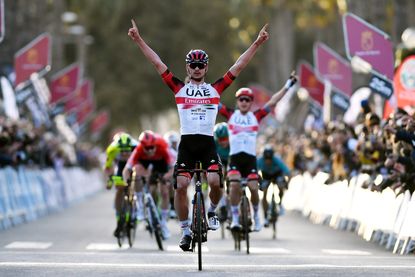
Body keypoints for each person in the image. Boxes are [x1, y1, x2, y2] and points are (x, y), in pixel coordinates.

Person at [128, 19, 269, 251]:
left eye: (200, 65)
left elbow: (238, 66)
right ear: (187, 68)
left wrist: (256, 43)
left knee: (214, 181)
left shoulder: (215, 89)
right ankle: (185, 231)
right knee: (181, 186)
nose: (196, 68)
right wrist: (138, 40)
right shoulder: (179, 88)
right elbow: (157, 63)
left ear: (205, 68)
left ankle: (211, 211)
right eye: (192, 65)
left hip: (206, 144)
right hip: (187, 145)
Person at [218, 74, 297, 231]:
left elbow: (273, 101)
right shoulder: (230, 114)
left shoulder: (256, 116)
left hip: (250, 160)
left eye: (247, 100)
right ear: (237, 101)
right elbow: (212, 101)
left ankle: (255, 216)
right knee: (234, 187)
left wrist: (287, 86)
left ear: (251, 102)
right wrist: (194, 87)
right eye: (241, 99)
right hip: (235, 158)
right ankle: (234, 218)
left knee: (254, 188)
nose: (244, 102)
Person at [122, 130, 173, 239]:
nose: (149, 151)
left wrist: (165, 177)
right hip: (144, 164)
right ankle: (140, 204)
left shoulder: (163, 146)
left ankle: (163, 223)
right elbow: (126, 170)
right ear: (142, 146)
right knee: (137, 172)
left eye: (152, 148)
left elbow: (173, 168)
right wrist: (126, 183)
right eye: (147, 148)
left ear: (155, 145)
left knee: (164, 192)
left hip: (161, 164)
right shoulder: (138, 149)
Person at [104, 132, 138, 238]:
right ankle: (119, 217)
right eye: (122, 151)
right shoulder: (112, 149)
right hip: (120, 165)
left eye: (127, 151)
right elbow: (108, 167)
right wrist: (109, 180)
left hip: (133, 165)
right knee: (119, 188)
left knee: (137, 182)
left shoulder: (136, 147)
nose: (124, 153)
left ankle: (135, 208)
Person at [257, 145, 290, 226]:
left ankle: (280, 203)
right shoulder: (259, 160)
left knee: (280, 185)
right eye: (266, 159)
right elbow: (254, 172)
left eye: (270, 159)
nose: (268, 161)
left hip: (277, 174)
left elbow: (288, 172)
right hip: (266, 175)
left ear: (272, 157)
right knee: (264, 193)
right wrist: (260, 181)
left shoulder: (277, 160)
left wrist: (286, 183)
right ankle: (265, 216)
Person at [213, 122, 231, 222]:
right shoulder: (214, 143)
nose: (223, 142)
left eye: (225, 139)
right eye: (220, 139)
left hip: (231, 160)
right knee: (221, 174)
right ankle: (223, 205)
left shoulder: (233, 141)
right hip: (220, 161)